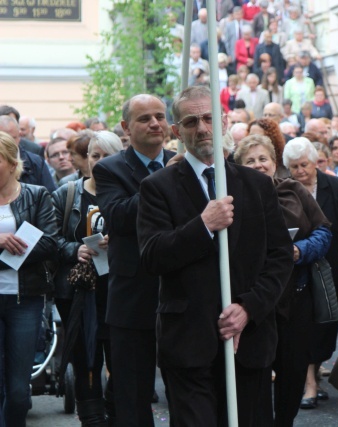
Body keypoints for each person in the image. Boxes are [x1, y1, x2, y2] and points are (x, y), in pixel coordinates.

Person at [137, 85, 293, 426]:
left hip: (249, 341)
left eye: (209, 118)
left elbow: (280, 256)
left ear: (223, 122)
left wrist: (249, 307)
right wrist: (203, 225)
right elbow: (152, 256)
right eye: (191, 121)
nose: (202, 128)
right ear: (176, 131)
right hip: (188, 343)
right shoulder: (157, 188)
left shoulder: (257, 185)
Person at [235, 134, 330, 426]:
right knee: (255, 380)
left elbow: (324, 232)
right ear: (238, 167)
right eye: (250, 161)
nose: (258, 165)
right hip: (255, 305)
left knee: (292, 377)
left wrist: (300, 250)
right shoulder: (231, 199)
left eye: (263, 158)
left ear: (275, 164)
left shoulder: (292, 190)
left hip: (295, 299)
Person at [92, 94, 175, 427]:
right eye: (145, 118)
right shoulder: (109, 169)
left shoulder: (183, 162)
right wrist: (166, 180)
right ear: (126, 127)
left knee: (187, 388)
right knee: (132, 394)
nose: (155, 123)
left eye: (159, 116)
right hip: (132, 296)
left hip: (181, 291)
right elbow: (120, 217)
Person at [52, 131, 123, 425]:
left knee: (123, 364)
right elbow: (49, 239)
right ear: (84, 160)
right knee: (87, 363)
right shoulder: (67, 194)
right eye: (95, 156)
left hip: (122, 291)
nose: (101, 162)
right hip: (82, 294)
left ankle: (114, 410)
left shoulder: (133, 193)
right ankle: (92, 420)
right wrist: (75, 248)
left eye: (108, 156)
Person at [282, 137, 338, 410]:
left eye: (304, 164)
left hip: (332, 264)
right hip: (299, 267)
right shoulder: (286, 189)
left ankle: (314, 374)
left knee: (326, 323)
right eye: (294, 166)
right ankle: (308, 382)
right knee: (304, 324)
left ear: (315, 162)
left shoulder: (337, 185)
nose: (300, 171)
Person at [0, 130, 57, 427]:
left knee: (20, 391)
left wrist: (16, 245)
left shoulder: (36, 195)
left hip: (25, 301)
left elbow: (50, 242)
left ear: (11, 163)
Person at [0, 115, 56, 192]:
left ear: (19, 136)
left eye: (12, 138)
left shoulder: (36, 162)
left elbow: (49, 195)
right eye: (3, 139)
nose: (8, 143)